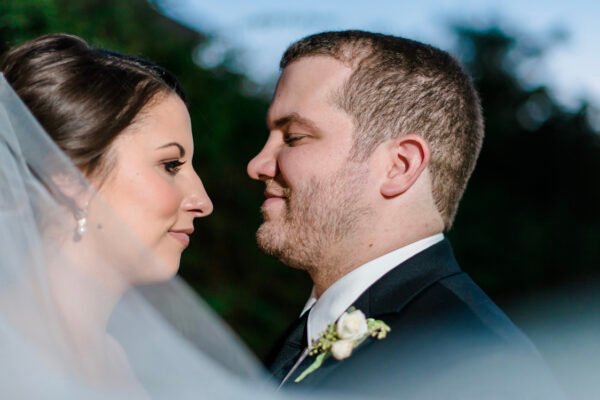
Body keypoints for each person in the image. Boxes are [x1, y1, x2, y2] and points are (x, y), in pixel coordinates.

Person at [248, 30, 562, 398]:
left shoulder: (483, 367)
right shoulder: (304, 333)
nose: (257, 164)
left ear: (399, 166)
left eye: (294, 137)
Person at [0, 33, 264, 399]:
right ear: (70, 178)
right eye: (170, 165)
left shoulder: (117, 360)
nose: (203, 201)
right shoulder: (10, 350)